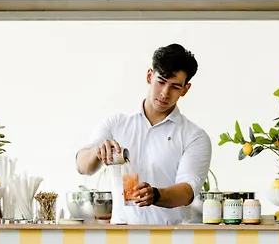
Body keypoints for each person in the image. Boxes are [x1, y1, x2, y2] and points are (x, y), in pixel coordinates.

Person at [75, 43, 212, 225]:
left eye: (175, 87)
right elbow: (82, 166)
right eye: (161, 81)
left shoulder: (194, 136)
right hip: (120, 234)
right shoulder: (116, 124)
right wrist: (97, 151)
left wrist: (156, 195)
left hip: (169, 236)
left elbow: (187, 191)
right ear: (149, 76)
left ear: (185, 90)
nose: (165, 93)